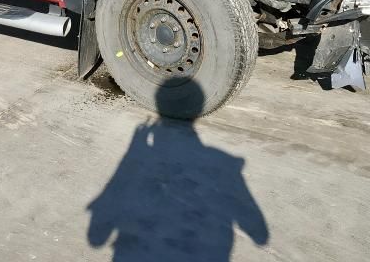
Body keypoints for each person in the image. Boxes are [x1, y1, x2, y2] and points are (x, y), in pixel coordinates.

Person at [87, 79, 269, 261]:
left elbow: (95, 238)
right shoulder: (225, 165)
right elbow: (260, 234)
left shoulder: (146, 161)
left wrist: (134, 149)